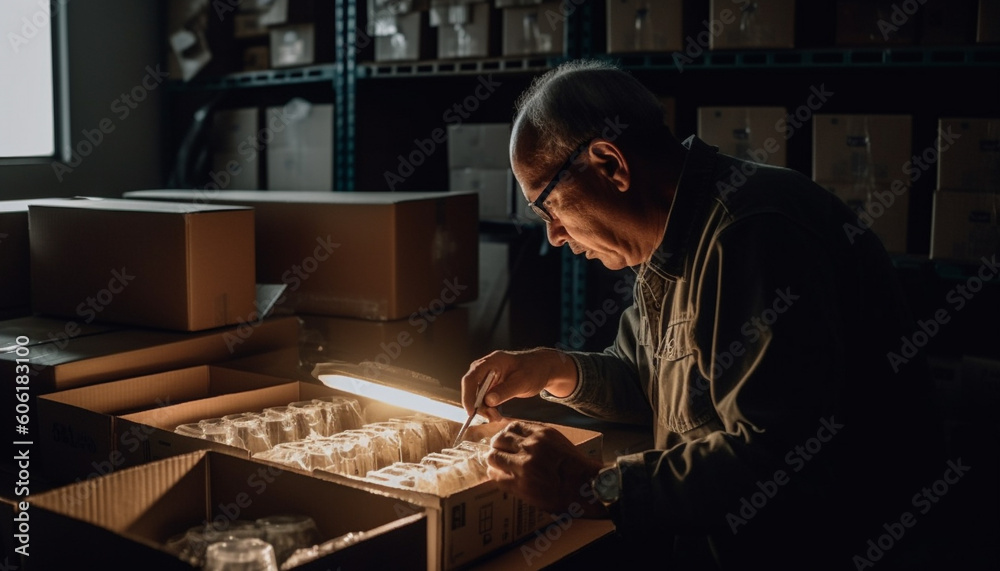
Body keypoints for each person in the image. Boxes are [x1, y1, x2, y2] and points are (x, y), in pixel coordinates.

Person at [461, 60, 942, 570]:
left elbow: (776, 458)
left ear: (609, 164)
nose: (554, 235)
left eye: (548, 206)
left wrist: (588, 485)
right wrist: (553, 369)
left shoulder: (753, 234)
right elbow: (653, 379)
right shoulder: (669, 244)